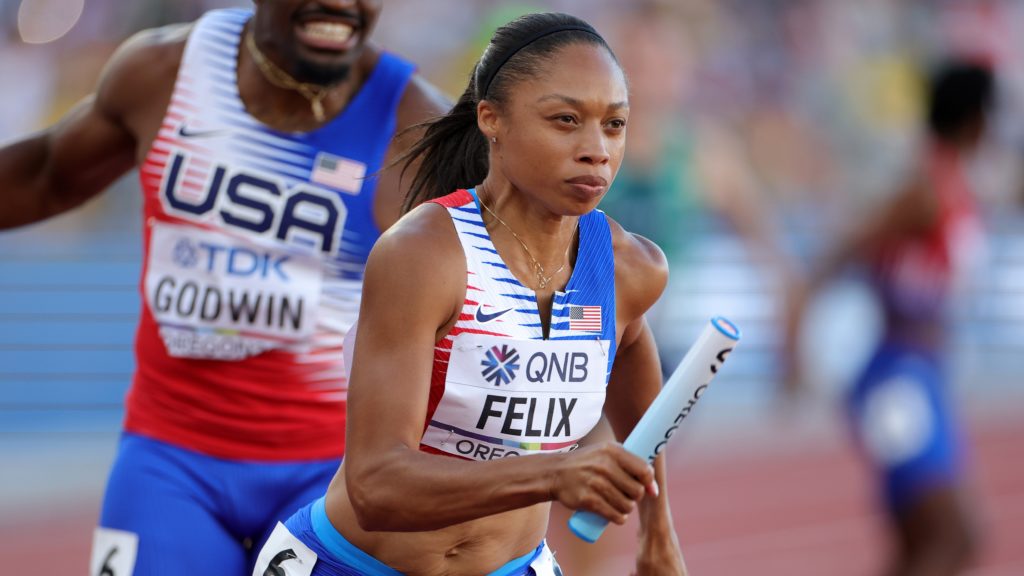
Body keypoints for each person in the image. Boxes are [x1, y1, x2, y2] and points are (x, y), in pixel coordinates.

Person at [0, 1, 449, 574]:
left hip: (331, 475)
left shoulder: (414, 129)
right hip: (170, 463)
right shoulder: (166, 70)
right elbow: (47, 174)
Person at [252, 11, 688, 576]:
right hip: (353, 564)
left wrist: (659, 531)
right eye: (565, 120)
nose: (596, 150)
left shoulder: (631, 270)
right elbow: (376, 485)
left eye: (614, 125)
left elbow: (641, 403)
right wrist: (556, 473)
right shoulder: (423, 254)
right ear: (492, 120)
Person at [785, 59, 995, 576]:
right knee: (955, 535)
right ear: (977, 120)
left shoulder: (949, 184)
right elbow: (839, 253)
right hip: (895, 379)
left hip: (922, 377)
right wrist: (795, 338)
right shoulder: (925, 191)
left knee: (917, 543)